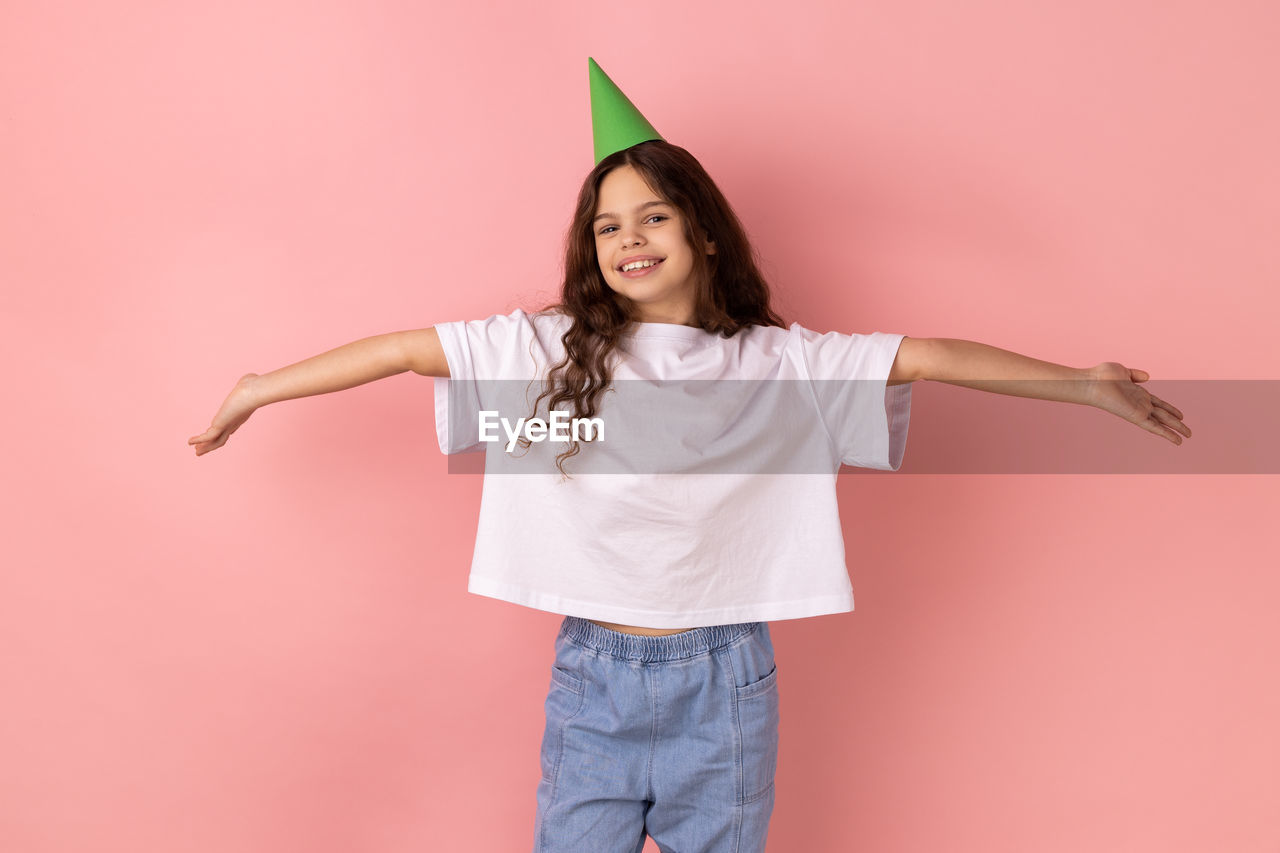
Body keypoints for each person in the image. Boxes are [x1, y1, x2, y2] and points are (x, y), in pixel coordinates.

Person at [188, 58, 1191, 853]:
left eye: (653, 216)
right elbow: (406, 349)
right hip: (593, 673)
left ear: (703, 232)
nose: (628, 239)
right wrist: (258, 387)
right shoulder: (544, 347)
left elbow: (925, 355)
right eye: (606, 225)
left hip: (724, 678)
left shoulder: (781, 361)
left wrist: (1080, 380)